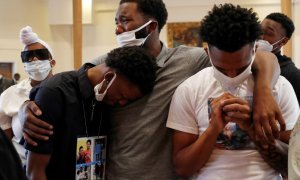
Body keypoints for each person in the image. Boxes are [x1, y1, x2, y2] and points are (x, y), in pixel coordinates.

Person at [20, 0, 284, 179]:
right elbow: (67, 86)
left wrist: (264, 91)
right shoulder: (107, 63)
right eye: (116, 21)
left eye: (125, 20)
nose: (118, 28)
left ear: (152, 25)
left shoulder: (188, 60)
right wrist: (28, 108)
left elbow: (262, 57)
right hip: (114, 174)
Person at [166, 4, 299, 179]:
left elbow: (292, 167)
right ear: (208, 53)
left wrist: (252, 128)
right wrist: (214, 128)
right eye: (221, 68)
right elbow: (183, 169)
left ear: (254, 50)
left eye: (241, 68)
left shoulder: (279, 88)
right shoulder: (190, 89)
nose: (231, 75)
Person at [24, 46, 158, 180]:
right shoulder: (54, 93)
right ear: (109, 77)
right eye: (122, 96)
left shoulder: (106, 100)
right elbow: (35, 172)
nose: (122, 104)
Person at [0, 26, 56, 166]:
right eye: (28, 57)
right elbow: (4, 143)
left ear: (52, 62)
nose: (34, 59)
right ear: (24, 65)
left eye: (40, 54)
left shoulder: (65, 92)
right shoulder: (11, 94)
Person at [261, 12, 300, 106]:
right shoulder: (247, 64)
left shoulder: (292, 75)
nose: (261, 37)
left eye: (269, 33)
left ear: (283, 41)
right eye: (259, 31)